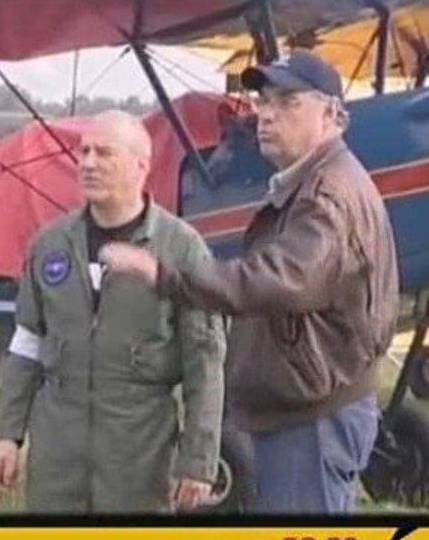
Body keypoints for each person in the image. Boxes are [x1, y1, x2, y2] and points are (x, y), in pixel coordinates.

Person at [100, 51, 399, 513]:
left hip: (313, 419)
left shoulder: (327, 195)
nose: (266, 113)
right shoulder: (317, 182)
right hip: (314, 406)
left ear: (333, 114)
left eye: (287, 100)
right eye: (262, 100)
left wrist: (164, 275)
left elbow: (282, 279)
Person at [0, 110, 227, 513]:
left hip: (140, 454)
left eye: (104, 153)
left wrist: (198, 461)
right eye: (83, 152)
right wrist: (7, 435)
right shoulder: (50, 245)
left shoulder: (181, 249)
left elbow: (205, 361)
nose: (88, 163)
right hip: (57, 457)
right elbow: (26, 342)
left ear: (141, 166)